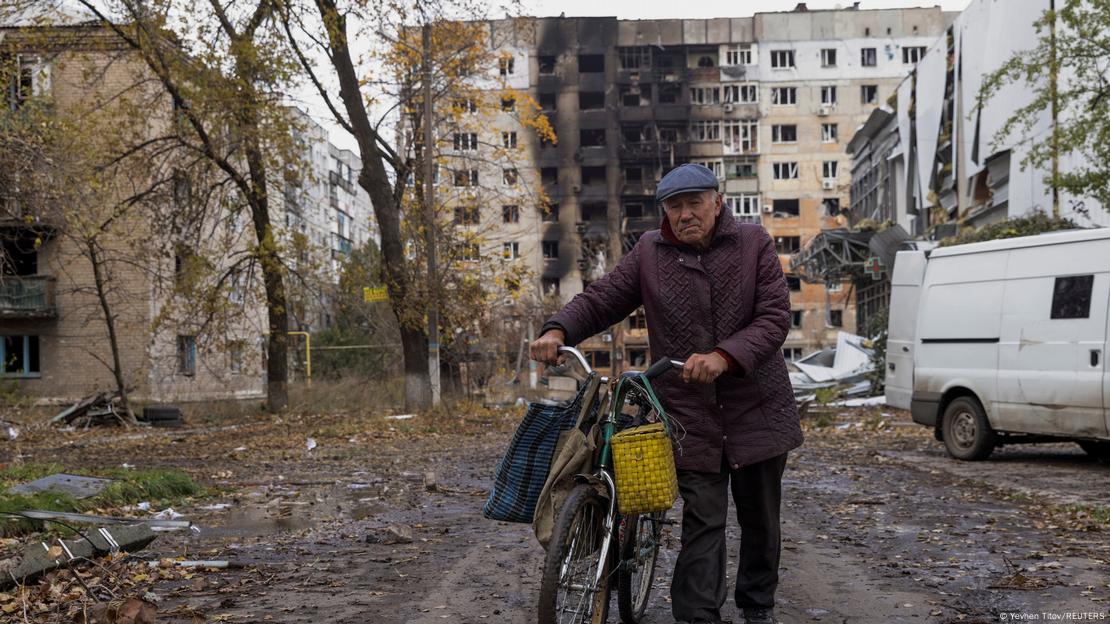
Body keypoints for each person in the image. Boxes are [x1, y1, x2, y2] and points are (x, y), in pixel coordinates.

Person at [530, 163, 803, 624]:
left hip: (756, 406)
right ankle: (697, 615)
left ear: (717, 203)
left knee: (760, 520)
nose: (685, 214)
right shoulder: (649, 253)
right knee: (704, 519)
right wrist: (558, 328)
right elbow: (603, 299)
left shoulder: (753, 242)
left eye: (694, 202)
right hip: (688, 415)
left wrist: (724, 356)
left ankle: (758, 606)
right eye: (674, 207)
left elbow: (775, 318)